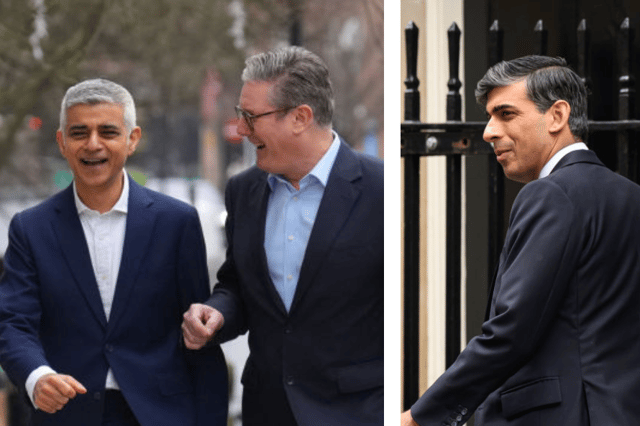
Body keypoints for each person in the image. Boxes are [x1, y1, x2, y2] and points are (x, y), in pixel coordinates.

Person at [402, 55, 640, 426]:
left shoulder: (550, 194)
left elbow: (510, 334)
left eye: (506, 114)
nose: (488, 131)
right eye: (489, 116)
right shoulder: (631, 196)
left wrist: (421, 417)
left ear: (557, 116)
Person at [0, 79, 228, 426]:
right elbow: (14, 322)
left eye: (107, 131)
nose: (93, 144)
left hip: (160, 415)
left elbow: (198, 339)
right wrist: (37, 376)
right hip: (66, 414)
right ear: (62, 142)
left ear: (132, 139)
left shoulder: (176, 223)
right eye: (79, 133)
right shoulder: (30, 229)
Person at [182, 46, 384, 426]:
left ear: (301, 117)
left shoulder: (382, 191)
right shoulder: (243, 191)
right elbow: (238, 286)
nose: (241, 129)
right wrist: (217, 314)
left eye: (250, 117)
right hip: (265, 409)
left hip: (358, 413)